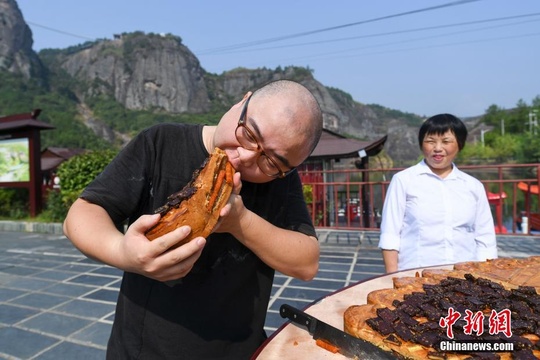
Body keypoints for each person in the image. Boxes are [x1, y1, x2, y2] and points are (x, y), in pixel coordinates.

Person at [63, 79, 323, 359]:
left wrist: (240, 221)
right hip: (142, 351)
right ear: (241, 102)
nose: (246, 157)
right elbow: (82, 214)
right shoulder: (160, 143)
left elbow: (306, 263)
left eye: (271, 161)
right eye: (249, 133)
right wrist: (123, 253)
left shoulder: (280, 180)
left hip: (240, 351)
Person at [379, 113, 497, 273]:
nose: (438, 148)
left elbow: (485, 238)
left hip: (464, 278)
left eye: (446, 141)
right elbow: (390, 234)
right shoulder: (403, 181)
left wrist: (484, 276)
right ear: (422, 144)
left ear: (459, 145)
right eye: (430, 141)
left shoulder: (473, 186)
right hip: (415, 275)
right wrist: (392, 276)